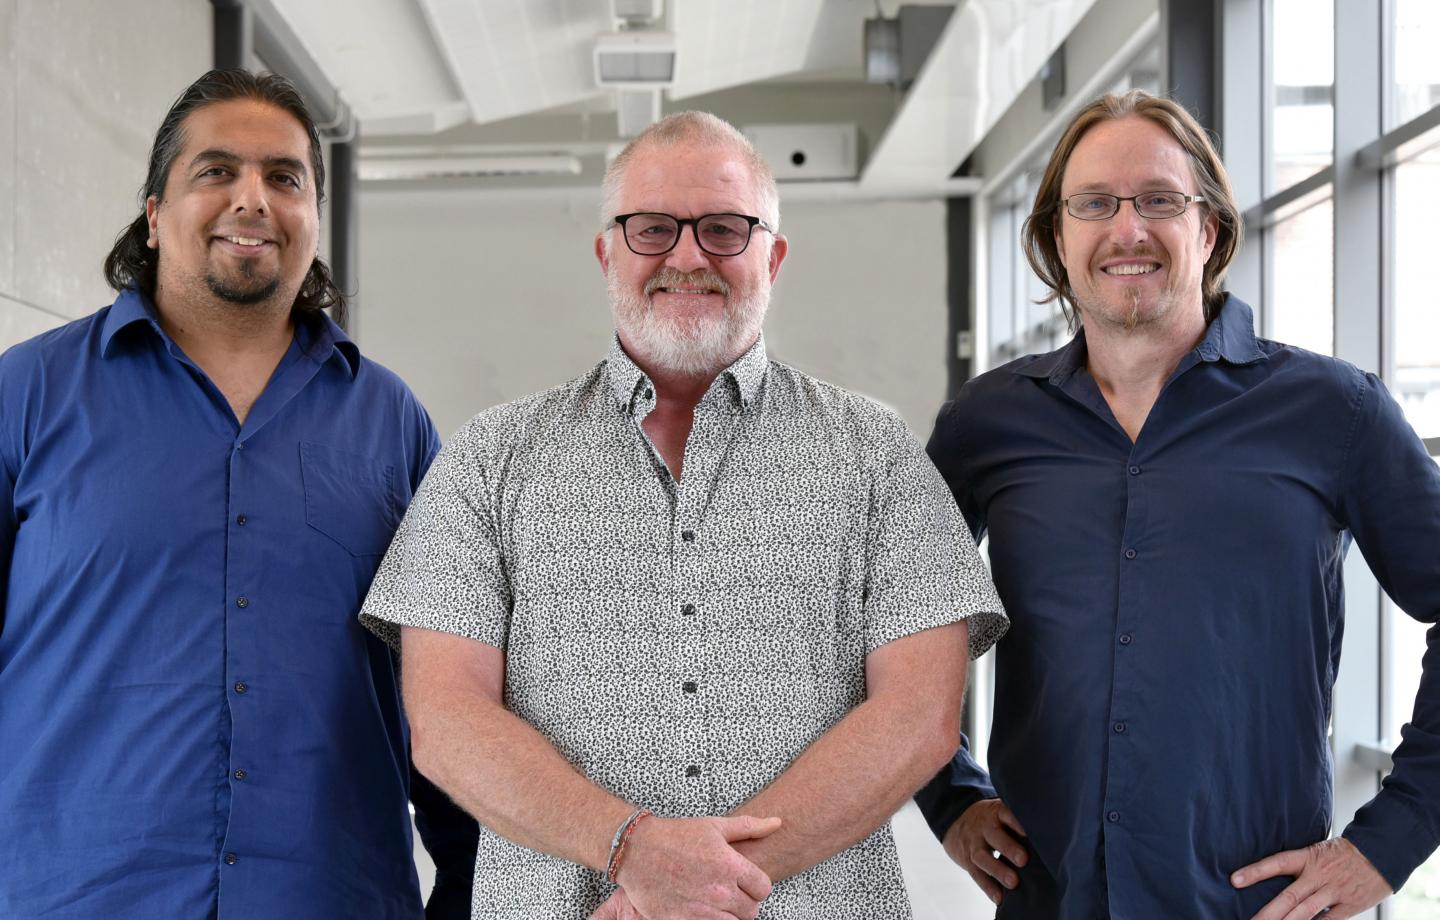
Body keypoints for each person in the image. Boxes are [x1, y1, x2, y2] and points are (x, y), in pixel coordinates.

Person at [358, 110, 1009, 920]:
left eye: (725, 229)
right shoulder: (489, 460)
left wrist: (692, 885)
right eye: (653, 228)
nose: (689, 255)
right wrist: (629, 849)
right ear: (607, 254)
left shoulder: (877, 453)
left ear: (772, 256)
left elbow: (919, 717)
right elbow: (448, 722)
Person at [917, 89, 1440, 919]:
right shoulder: (986, 424)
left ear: (1211, 229)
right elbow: (887, 623)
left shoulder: (1335, 412)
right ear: (1058, 234)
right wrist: (946, 794)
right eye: (1095, 204)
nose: (1128, 230)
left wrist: (1392, 840)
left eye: (1160, 200)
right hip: (1050, 902)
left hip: (1255, 906)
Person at [0, 70, 475, 918]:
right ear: (153, 212)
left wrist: (475, 890)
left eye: (284, 177)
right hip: (74, 897)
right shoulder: (28, 396)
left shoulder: (392, 424)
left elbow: (450, 688)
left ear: (313, 218)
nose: (251, 199)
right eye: (215, 171)